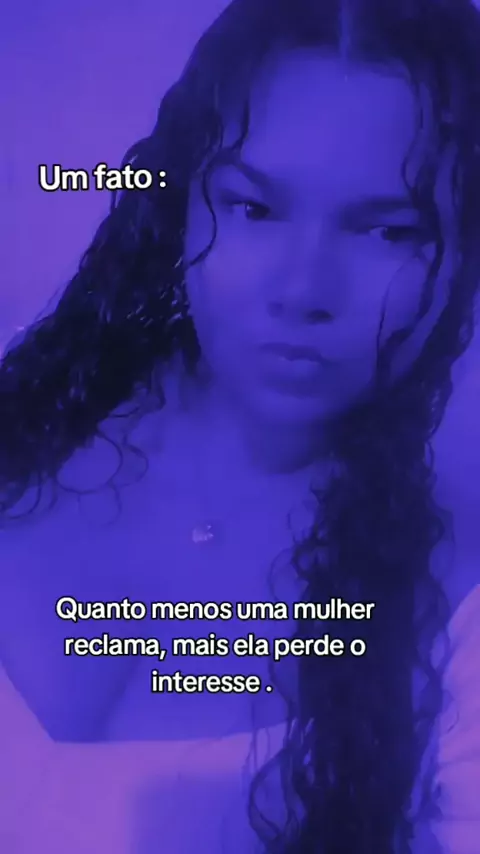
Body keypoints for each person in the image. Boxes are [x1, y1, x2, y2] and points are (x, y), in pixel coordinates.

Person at [1, 0, 480, 851]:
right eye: (255, 208)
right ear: (182, 205)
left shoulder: (461, 616)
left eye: (387, 229)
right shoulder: (20, 424)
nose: (303, 289)